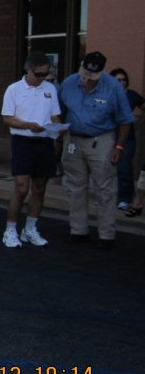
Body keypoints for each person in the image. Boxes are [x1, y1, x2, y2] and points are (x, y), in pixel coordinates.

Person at [60, 52, 134, 248]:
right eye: (84, 74)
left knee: (105, 188)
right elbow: (58, 111)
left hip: (101, 140)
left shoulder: (113, 87)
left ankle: (107, 234)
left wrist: (119, 146)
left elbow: (126, 119)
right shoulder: (69, 83)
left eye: (92, 76)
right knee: (75, 187)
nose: (87, 79)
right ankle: (78, 231)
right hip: (74, 139)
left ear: (101, 73)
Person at [0, 52, 62, 248]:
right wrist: (27, 125)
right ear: (28, 69)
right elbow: (7, 117)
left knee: (39, 188)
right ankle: (10, 230)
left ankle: (31, 228)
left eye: (45, 74)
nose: (42, 78)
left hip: (44, 141)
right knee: (21, 187)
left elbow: (55, 116)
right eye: (38, 74)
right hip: (22, 141)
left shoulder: (50, 89)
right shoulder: (14, 89)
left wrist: (58, 129)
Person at [109, 68, 145, 210]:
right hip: (108, 136)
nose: (122, 82)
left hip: (127, 138)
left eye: (124, 80)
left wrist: (138, 123)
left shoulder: (131, 95)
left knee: (124, 167)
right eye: (119, 80)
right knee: (105, 169)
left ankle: (125, 198)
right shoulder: (107, 94)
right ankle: (108, 197)